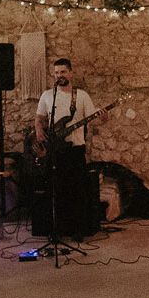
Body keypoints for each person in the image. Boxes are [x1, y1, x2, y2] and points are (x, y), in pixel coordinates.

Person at [34, 58, 101, 240]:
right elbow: (39, 117)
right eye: (56, 73)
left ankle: (78, 229)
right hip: (54, 151)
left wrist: (103, 117)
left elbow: (93, 120)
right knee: (56, 191)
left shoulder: (81, 96)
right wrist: (39, 130)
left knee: (77, 191)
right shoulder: (48, 95)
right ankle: (57, 229)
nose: (59, 76)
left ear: (71, 73)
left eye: (63, 72)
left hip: (75, 149)